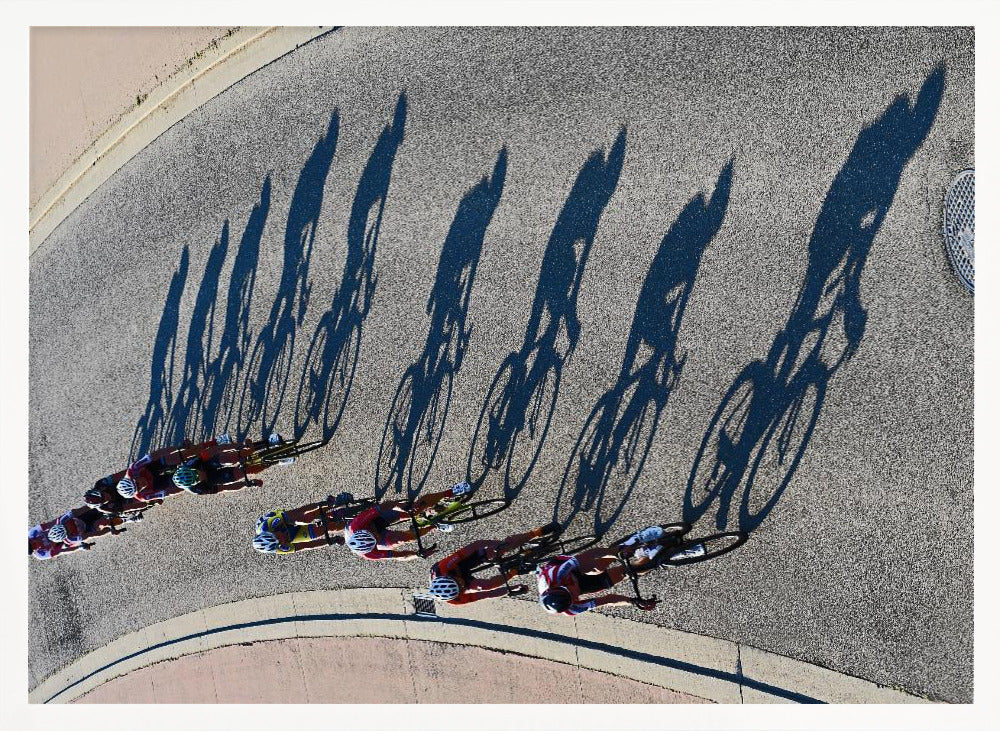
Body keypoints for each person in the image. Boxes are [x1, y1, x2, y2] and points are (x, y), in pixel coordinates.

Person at [536, 525, 672, 615]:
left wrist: (617, 552)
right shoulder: (573, 608)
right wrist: (633, 601)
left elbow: (590, 554)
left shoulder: (556, 574)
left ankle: (634, 540)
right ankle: (653, 554)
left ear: (560, 587)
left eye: (571, 591)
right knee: (630, 572)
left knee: (599, 566)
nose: (575, 592)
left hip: (570, 568)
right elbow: (607, 601)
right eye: (574, 596)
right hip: (583, 585)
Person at [427, 521, 563, 604]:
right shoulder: (456, 599)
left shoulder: (445, 567)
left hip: (459, 565)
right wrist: (510, 588)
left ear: (448, 577)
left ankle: (536, 532)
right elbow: (488, 594)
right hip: (457, 582)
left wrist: (498, 544)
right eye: (460, 587)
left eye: (458, 582)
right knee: (486, 586)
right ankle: (514, 571)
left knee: (500, 549)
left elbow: (476, 545)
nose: (462, 583)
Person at [344, 482, 472, 561]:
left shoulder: (357, 524)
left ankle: (450, 492)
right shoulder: (371, 554)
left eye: (373, 534)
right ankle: (434, 526)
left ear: (363, 531)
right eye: (376, 539)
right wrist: (417, 554)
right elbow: (400, 556)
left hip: (375, 520)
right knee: (406, 539)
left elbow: (384, 506)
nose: (377, 535)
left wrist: (399, 506)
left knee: (414, 510)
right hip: (377, 538)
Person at [252, 493, 356, 554]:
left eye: (278, 537)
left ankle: (332, 504)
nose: (282, 539)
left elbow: (300, 511)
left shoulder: (268, 525)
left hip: (283, 520)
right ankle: (353, 522)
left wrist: (321, 504)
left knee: (305, 518)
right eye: (280, 542)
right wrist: (332, 541)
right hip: (294, 535)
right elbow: (307, 545)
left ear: (271, 532)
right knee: (326, 529)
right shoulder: (280, 548)